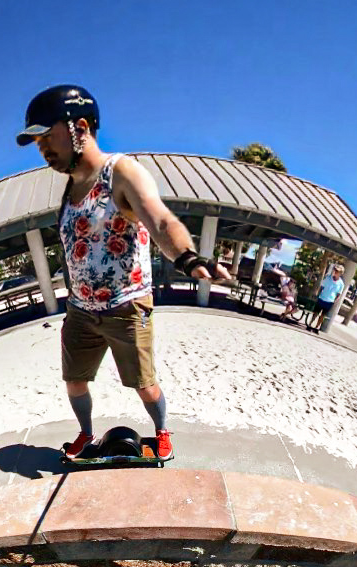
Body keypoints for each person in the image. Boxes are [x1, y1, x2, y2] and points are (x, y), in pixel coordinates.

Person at [17, 85, 232, 461]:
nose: (44, 150)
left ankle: (162, 431)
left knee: (144, 385)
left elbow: (160, 220)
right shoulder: (68, 194)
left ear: (79, 128)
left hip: (127, 308)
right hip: (81, 312)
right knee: (75, 381)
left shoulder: (122, 173)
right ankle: (86, 434)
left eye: (48, 138)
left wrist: (188, 258)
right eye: (38, 144)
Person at [311, 264, 345, 332]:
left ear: (341, 273)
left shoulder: (341, 283)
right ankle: (310, 324)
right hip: (322, 298)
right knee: (316, 312)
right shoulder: (328, 278)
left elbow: (339, 294)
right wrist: (318, 294)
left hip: (329, 301)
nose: (335, 272)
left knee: (323, 315)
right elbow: (322, 287)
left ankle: (316, 327)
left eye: (337, 271)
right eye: (335, 270)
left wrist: (334, 301)